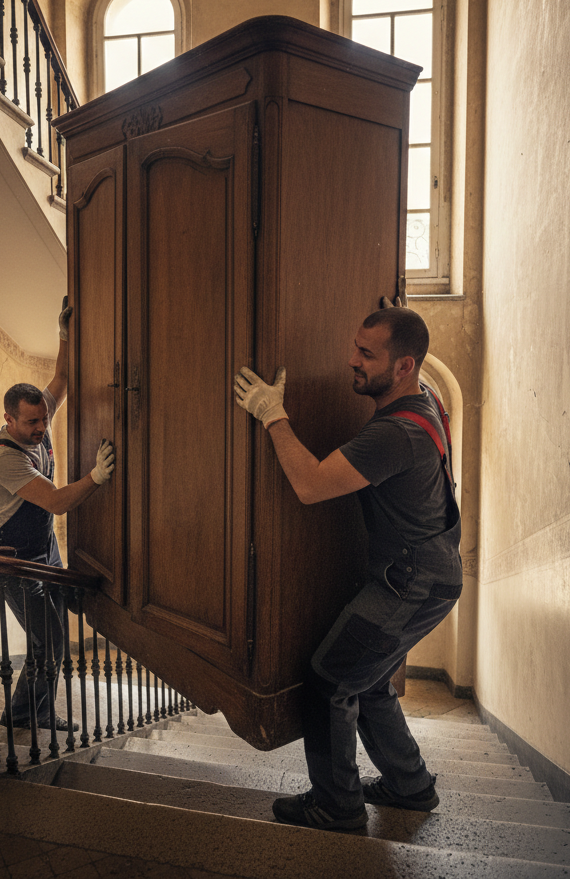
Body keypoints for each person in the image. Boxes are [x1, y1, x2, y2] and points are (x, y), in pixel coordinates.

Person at [233, 298, 461, 830]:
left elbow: (311, 485)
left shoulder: (393, 434)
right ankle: (410, 785)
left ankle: (337, 805)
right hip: (427, 573)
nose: (351, 360)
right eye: (355, 347)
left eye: (366, 353)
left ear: (404, 367)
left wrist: (273, 414)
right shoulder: (422, 400)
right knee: (370, 679)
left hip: (410, 581)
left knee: (330, 680)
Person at [0, 298, 115, 733]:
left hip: (45, 549)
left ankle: (33, 710)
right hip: (14, 559)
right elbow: (57, 502)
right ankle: (24, 714)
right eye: (32, 423)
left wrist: (63, 333)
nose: (41, 428)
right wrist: (96, 476)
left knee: (52, 638)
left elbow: (61, 378)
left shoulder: (40, 411)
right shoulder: (3, 458)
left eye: (43, 419)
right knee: (51, 642)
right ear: (9, 419)